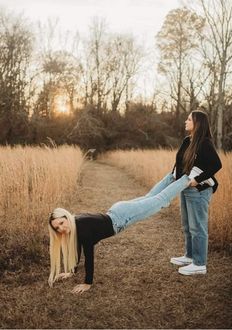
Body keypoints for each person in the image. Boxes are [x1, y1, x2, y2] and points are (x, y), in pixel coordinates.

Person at [48, 173, 192, 294]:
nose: (61, 229)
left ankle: (187, 179)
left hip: (122, 216)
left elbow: (89, 255)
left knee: (160, 200)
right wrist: (71, 271)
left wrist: (88, 283)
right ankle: (172, 175)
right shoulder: (75, 224)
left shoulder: (82, 228)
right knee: (151, 197)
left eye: (61, 223)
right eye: (57, 228)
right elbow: (77, 248)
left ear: (66, 217)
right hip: (118, 211)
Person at [170, 110, 222, 275]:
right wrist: (174, 179)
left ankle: (199, 264)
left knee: (197, 227)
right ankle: (190, 256)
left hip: (199, 191)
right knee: (187, 225)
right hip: (184, 188)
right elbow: (179, 162)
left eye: (189, 119)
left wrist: (197, 179)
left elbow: (216, 165)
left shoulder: (204, 143)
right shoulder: (188, 140)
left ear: (197, 123)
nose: (185, 121)